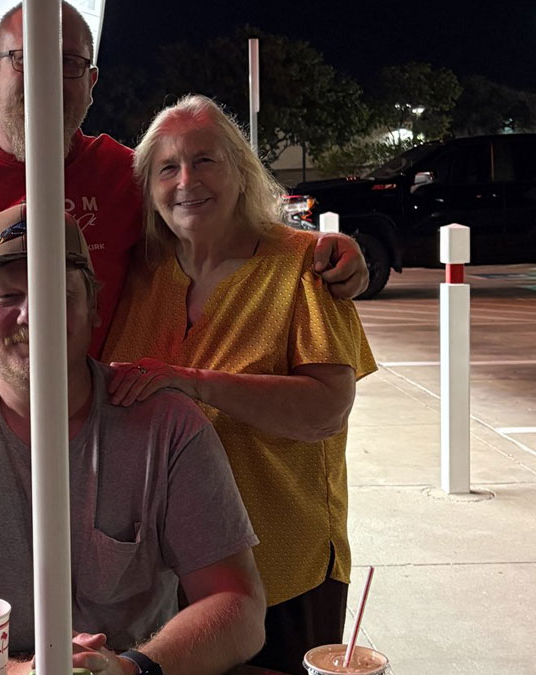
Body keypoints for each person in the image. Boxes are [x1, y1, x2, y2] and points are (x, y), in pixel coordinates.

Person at [0, 1, 369, 516]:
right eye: (24, 59)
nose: (46, 79)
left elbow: (206, 217)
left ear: (91, 82)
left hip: (89, 472)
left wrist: (316, 247)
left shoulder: (121, 177)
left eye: (68, 63)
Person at [0, 205, 267, 675]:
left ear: (93, 308)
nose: (33, 315)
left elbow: (239, 603)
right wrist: (13, 673)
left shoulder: (168, 428)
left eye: (57, 293)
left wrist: (130, 669)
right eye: (8, 297)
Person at [102, 94, 378, 675]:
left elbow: (327, 409)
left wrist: (193, 383)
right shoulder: (140, 274)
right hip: (161, 573)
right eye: (167, 168)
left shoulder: (304, 265)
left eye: (205, 160)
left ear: (241, 171)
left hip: (280, 562)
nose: (186, 181)